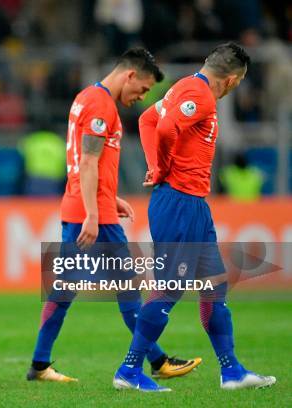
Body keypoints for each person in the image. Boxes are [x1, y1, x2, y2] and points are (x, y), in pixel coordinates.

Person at [27, 48, 201, 383]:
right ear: (130, 75)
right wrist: (95, 212)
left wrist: (109, 196)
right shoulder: (100, 105)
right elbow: (88, 162)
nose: (142, 96)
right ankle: (157, 361)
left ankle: (39, 365)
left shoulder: (86, 96)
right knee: (129, 290)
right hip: (93, 214)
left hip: (87, 205)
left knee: (65, 290)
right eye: (143, 89)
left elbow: (84, 161)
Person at [114, 42, 276, 391]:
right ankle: (128, 370)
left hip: (193, 204)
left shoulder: (185, 87)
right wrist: (165, 166)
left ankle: (231, 371)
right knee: (170, 289)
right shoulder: (200, 94)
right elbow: (165, 128)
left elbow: (146, 119)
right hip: (179, 202)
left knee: (214, 288)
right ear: (232, 80)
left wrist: (156, 165)